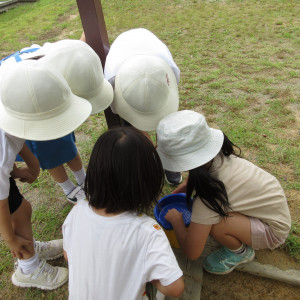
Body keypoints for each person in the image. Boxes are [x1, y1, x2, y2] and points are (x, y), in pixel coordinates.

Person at [156, 110, 291, 275]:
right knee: (213, 218)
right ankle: (241, 231)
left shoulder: (209, 197)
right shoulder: (217, 159)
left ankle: (241, 253)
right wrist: (179, 192)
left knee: (217, 226)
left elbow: (192, 252)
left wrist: (176, 221)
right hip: (270, 212)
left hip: (273, 231)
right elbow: (191, 178)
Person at [62, 127, 184, 300]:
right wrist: (147, 274)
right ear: (147, 183)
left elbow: (68, 255)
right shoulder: (148, 232)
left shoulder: (77, 210)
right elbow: (175, 288)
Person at [0, 60, 92, 289]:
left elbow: (16, 133)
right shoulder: (1, 149)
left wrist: (32, 164)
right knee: (20, 212)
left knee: (20, 210)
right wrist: (10, 238)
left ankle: (29, 245)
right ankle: (28, 268)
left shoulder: (11, 105)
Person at [1, 39, 113, 204]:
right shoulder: (22, 86)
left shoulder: (59, 58)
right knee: (49, 155)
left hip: (50, 102)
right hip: (28, 109)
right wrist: (28, 167)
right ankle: (69, 189)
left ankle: (84, 180)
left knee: (66, 144)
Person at [81, 28, 182, 185]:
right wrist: (149, 147)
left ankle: (168, 160)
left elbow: (166, 106)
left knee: (167, 121)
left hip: (150, 46)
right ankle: (150, 157)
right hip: (123, 54)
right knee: (131, 123)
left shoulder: (170, 70)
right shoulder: (111, 81)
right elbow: (126, 115)